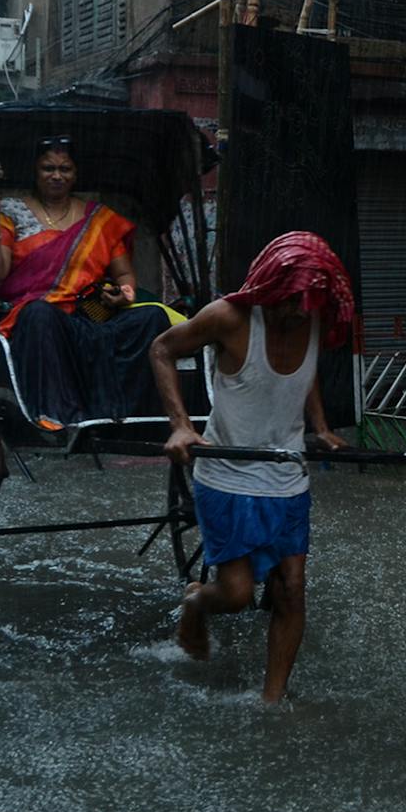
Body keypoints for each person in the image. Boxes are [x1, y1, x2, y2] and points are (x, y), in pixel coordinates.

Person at [149, 231, 355, 703]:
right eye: (288, 304)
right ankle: (196, 602)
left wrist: (319, 425)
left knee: (292, 588)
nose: (298, 315)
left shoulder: (312, 315)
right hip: (226, 473)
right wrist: (180, 425)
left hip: (285, 475)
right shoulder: (229, 317)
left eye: (307, 306)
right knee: (237, 594)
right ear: (268, 290)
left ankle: (272, 700)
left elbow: (307, 374)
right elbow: (161, 349)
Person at [0, 135, 172, 427]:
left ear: (76, 173)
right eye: (48, 168)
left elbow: (126, 277)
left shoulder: (98, 219)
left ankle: (134, 416)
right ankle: (57, 416)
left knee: (153, 317)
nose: (56, 175)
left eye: (64, 169)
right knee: (39, 314)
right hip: (36, 317)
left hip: (91, 314)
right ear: (35, 172)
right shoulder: (10, 214)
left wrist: (125, 295)